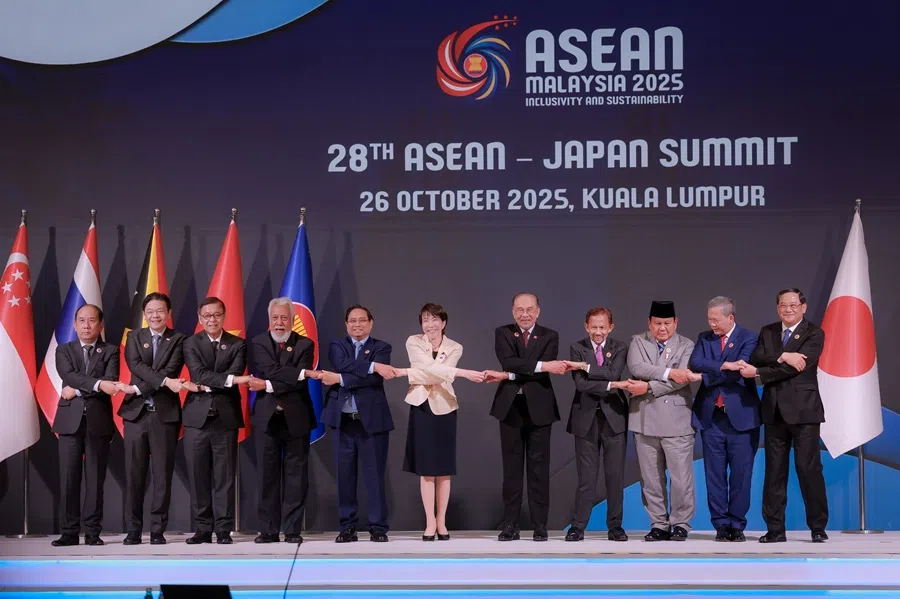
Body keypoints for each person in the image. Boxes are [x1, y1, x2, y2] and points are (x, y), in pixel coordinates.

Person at [740, 288, 828, 543]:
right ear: (777, 307)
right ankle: (775, 529)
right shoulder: (768, 331)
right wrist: (783, 355)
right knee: (774, 472)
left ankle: (818, 527)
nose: (788, 309)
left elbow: (797, 368)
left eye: (793, 305)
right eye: (783, 305)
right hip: (773, 410)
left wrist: (761, 373)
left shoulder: (814, 333)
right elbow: (756, 357)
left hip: (804, 411)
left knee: (808, 469)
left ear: (803, 307)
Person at [392, 303, 485, 541]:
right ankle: (430, 522)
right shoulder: (413, 341)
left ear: (443, 323)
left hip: (445, 407)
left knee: (443, 469)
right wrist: (462, 373)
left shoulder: (455, 347)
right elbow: (429, 369)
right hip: (421, 406)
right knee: (426, 469)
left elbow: (437, 374)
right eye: (425, 320)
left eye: (434, 320)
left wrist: (407, 372)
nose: (430, 325)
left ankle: (442, 521)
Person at [483, 292, 567, 542]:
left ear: (538, 311)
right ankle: (510, 524)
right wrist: (541, 366)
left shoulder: (550, 335)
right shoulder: (503, 333)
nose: (525, 314)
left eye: (530, 309)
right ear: (513, 311)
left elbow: (520, 367)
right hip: (510, 407)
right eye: (520, 309)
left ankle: (540, 525)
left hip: (540, 409)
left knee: (539, 469)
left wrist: (510, 373)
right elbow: (508, 361)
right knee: (511, 470)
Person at [320, 305, 396, 543]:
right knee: (345, 477)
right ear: (346, 324)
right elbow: (341, 363)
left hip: (371, 421)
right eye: (352, 321)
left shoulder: (382, 347)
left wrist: (339, 379)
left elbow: (374, 380)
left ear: (371, 323)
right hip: (343, 421)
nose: (357, 325)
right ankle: (347, 527)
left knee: (375, 476)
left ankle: (378, 527)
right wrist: (372, 366)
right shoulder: (337, 345)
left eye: (362, 320)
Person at [626, 300, 701, 541]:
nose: (662, 328)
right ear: (649, 323)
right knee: (650, 479)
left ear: (675, 323)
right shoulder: (638, 342)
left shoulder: (687, 345)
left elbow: (683, 379)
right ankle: (658, 523)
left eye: (667, 323)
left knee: (681, 479)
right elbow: (637, 367)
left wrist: (647, 387)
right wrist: (669, 372)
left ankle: (681, 523)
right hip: (644, 419)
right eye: (657, 323)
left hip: (677, 420)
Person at [116, 292, 186, 545]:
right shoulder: (134, 336)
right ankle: (133, 530)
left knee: (162, 477)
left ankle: (157, 531)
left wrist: (136, 388)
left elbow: (172, 369)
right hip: (136, 415)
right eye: (150, 312)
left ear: (168, 314)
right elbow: (136, 366)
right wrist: (164, 381)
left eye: (160, 311)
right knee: (134, 475)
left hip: (164, 416)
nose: (155, 315)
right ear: (144, 314)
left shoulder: (179, 339)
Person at [688, 296, 760, 542]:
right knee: (714, 475)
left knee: (741, 475)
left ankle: (737, 525)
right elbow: (695, 362)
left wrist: (706, 376)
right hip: (712, 417)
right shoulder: (704, 337)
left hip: (741, 418)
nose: (712, 324)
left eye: (716, 320)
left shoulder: (749, 338)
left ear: (730, 317)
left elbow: (740, 372)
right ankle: (720, 524)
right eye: (709, 319)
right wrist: (725, 365)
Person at [181, 297, 251, 545]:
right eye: (207, 316)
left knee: (225, 478)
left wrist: (207, 384)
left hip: (225, 418)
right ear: (200, 319)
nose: (212, 320)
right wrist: (227, 381)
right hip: (196, 419)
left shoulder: (238, 344)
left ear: (224, 316)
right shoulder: (190, 343)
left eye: (217, 315)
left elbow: (235, 372)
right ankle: (202, 529)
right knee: (198, 477)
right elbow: (197, 373)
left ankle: (223, 529)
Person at [248, 297, 317, 545]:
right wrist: (295, 373)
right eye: (275, 318)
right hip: (267, 418)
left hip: (296, 417)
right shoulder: (259, 342)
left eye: (284, 318)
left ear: (292, 320)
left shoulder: (305, 344)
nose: (279, 323)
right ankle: (268, 530)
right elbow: (270, 369)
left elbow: (299, 381)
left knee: (296, 475)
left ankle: (292, 529)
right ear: (269, 319)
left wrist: (267, 385)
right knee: (267, 476)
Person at [563, 307, 635, 542]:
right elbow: (582, 385)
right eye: (593, 327)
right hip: (585, 420)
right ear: (586, 326)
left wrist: (586, 367)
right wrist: (614, 385)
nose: (598, 332)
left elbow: (614, 372)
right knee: (586, 478)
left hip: (614, 419)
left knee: (615, 476)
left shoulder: (620, 347)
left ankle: (615, 526)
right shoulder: (577, 348)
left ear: (610, 327)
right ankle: (578, 526)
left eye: (602, 327)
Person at [50, 304, 119, 547]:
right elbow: (68, 376)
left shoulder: (110, 351)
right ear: (74, 324)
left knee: (95, 480)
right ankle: (69, 532)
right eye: (81, 320)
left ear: (100, 324)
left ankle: (92, 532)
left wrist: (77, 390)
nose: (86, 325)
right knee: (69, 479)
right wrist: (97, 385)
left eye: (91, 320)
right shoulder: (64, 350)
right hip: (70, 422)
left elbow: (111, 381)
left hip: (98, 422)